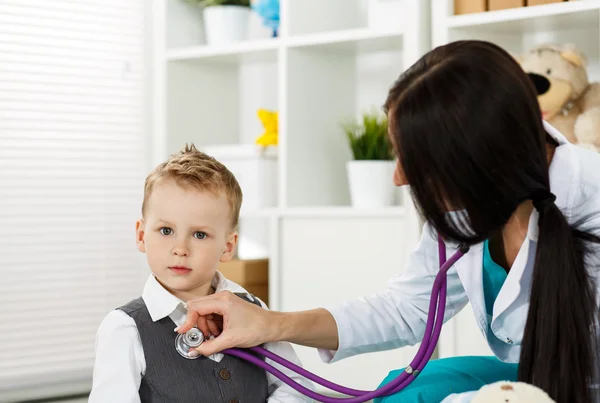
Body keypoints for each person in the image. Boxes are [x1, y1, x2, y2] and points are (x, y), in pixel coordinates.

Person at [175, 40, 600, 403]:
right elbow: (406, 308)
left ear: (474, 160)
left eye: (413, 160)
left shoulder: (591, 198)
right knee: (406, 391)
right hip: (536, 374)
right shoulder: (469, 201)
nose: (398, 177)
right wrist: (269, 324)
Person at [88, 144, 313, 403]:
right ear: (141, 236)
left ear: (228, 247)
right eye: (166, 230)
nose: (181, 249)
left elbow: (297, 387)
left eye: (200, 234)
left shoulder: (252, 310)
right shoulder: (124, 329)